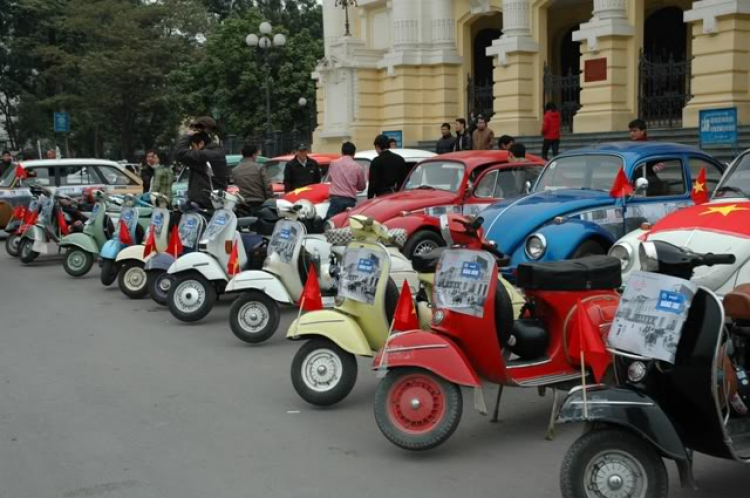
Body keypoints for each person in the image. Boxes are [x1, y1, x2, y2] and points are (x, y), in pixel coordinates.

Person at [173, 117, 229, 209]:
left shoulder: (208, 155)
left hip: (207, 207)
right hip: (203, 205)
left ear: (201, 143)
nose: (192, 150)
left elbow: (180, 153)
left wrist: (188, 135)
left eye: (192, 146)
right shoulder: (213, 152)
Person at [326, 142, 366, 219]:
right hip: (350, 201)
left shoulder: (333, 164)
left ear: (342, 152)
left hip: (336, 200)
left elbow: (330, 179)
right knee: (348, 223)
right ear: (354, 153)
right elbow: (361, 187)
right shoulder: (358, 167)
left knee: (331, 223)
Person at [233, 144, 272, 212]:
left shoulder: (235, 170)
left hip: (243, 204)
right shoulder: (259, 167)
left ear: (242, 154)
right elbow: (267, 187)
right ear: (254, 155)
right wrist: (270, 201)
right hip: (259, 203)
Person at [368, 134, 408, 198]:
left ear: (377, 146)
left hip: (381, 197)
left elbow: (373, 183)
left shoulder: (376, 161)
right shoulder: (399, 159)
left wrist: (369, 198)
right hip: (397, 196)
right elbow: (405, 180)